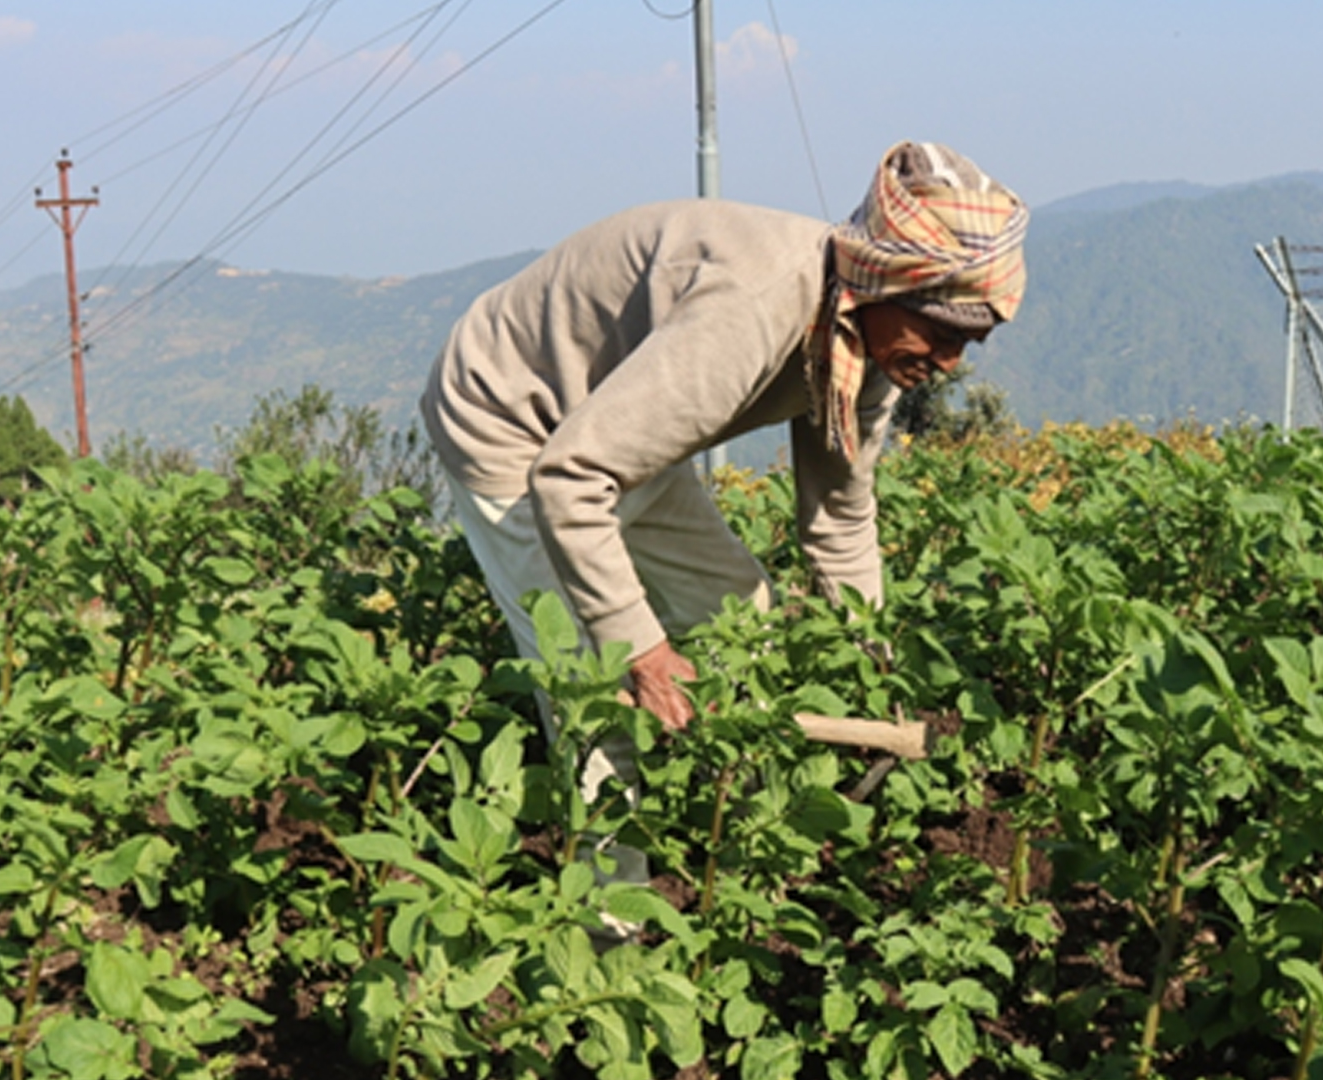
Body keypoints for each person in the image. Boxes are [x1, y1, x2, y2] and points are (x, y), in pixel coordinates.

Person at [420, 140, 1028, 733]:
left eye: (967, 343)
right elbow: (569, 478)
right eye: (939, 332)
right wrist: (643, 652)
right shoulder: (751, 310)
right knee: (596, 688)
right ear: (884, 284)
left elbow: (839, 517)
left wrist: (871, 671)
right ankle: (609, 831)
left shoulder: (866, 352)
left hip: (613, 433)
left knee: (738, 617)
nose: (949, 361)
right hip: (512, 416)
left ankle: (709, 784)